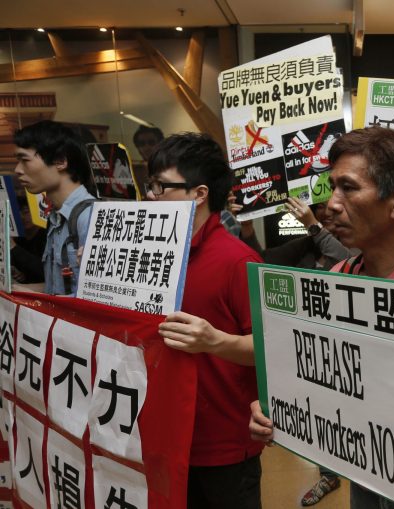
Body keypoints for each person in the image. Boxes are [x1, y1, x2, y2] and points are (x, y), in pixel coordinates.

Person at [249, 127, 394, 509]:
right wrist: (277, 405)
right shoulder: (337, 278)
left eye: (349, 188)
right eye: (332, 187)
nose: (331, 204)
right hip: (367, 474)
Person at [148, 132, 265, 508]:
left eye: (160, 187)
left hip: (224, 445)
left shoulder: (237, 261)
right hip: (167, 435)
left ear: (199, 194)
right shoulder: (152, 254)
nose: (151, 196)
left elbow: (272, 348)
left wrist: (215, 341)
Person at [264, 195, 352, 506]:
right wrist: (246, 226)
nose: (327, 216)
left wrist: (315, 228)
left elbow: (346, 260)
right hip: (312, 350)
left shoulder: (357, 246)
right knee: (323, 414)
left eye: (331, 213)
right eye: (319, 213)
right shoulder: (305, 246)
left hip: (351, 351)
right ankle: (329, 474)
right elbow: (261, 258)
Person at [13, 120, 95, 295]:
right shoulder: (55, 218)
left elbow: (96, 298)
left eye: (25, 160)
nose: (18, 169)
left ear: (60, 161)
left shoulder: (91, 217)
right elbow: (55, 291)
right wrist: (12, 290)